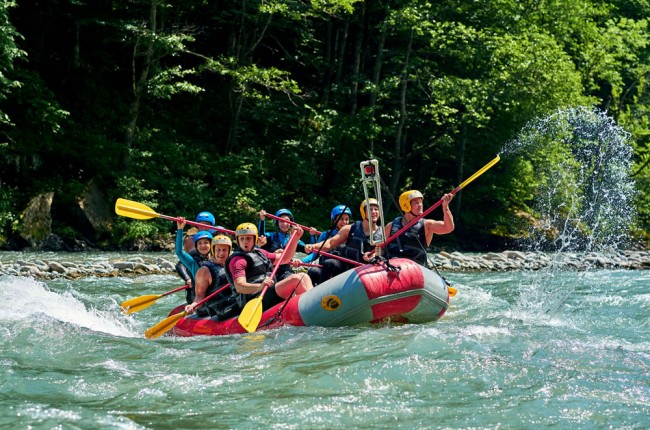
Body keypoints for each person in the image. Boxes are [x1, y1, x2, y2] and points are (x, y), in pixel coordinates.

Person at [225, 222, 313, 313]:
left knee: (303, 276)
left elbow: (285, 258)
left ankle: (314, 303)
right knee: (295, 279)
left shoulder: (260, 253)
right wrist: (260, 286)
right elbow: (240, 287)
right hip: (254, 298)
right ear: (238, 240)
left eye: (248, 238)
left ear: (255, 239)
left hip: (268, 291)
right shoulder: (237, 260)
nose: (245, 242)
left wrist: (295, 238)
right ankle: (313, 308)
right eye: (242, 239)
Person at [304, 199, 384, 283]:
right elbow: (330, 243)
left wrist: (374, 255)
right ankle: (322, 292)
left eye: (376, 209)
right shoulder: (350, 228)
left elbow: (382, 251)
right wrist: (313, 246)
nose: (374, 212)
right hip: (345, 269)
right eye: (370, 209)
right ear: (364, 212)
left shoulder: (383, 233)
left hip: (365, 272)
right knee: (329, 263)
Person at [384, 190, 455, 266]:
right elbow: (380, 247)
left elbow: (448, 228)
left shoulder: (427, 225)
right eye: (416, 203)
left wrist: (445, 206)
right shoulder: (391, 226)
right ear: (406, 205)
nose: (420, 205)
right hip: (392, 266)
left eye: (421, 202)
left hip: (416, 268)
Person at [298, 204, 352, 285]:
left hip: (341, 269)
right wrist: (301, 261)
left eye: (346, 219)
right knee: (313, 271)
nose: (344, 222)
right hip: (325, 268)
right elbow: (315, 254)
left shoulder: (351, 236)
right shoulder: (325, 235)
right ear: (334, 220)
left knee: (330, 263)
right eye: (341, 219)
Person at [184, 235, 235, 319]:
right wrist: (193, 306)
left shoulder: (231, 264)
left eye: (224, 250)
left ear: (229, 251)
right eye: (218, 250)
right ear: (213, 250)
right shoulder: (204, 270)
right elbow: (199, 296)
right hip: (219, 308)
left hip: (231, 301)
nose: (221, 253)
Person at [258, 208, 309, 281]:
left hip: (286, 272)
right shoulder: (271, 236)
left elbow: (308, 250)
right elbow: (261, 237)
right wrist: (262, 220)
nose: (284, 224)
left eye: (287, 221)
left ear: (290, 223)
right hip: (271, 271)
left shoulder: (294, 239)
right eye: (281, 221)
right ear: (277, 223)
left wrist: (301, 261)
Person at [175, 211, 216, 292]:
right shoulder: (193, 261)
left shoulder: (217, 253)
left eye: (206, 243)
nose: (203, 246)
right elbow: (179, 253)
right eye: (200, 243)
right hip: (197, 290)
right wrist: (180, 229)